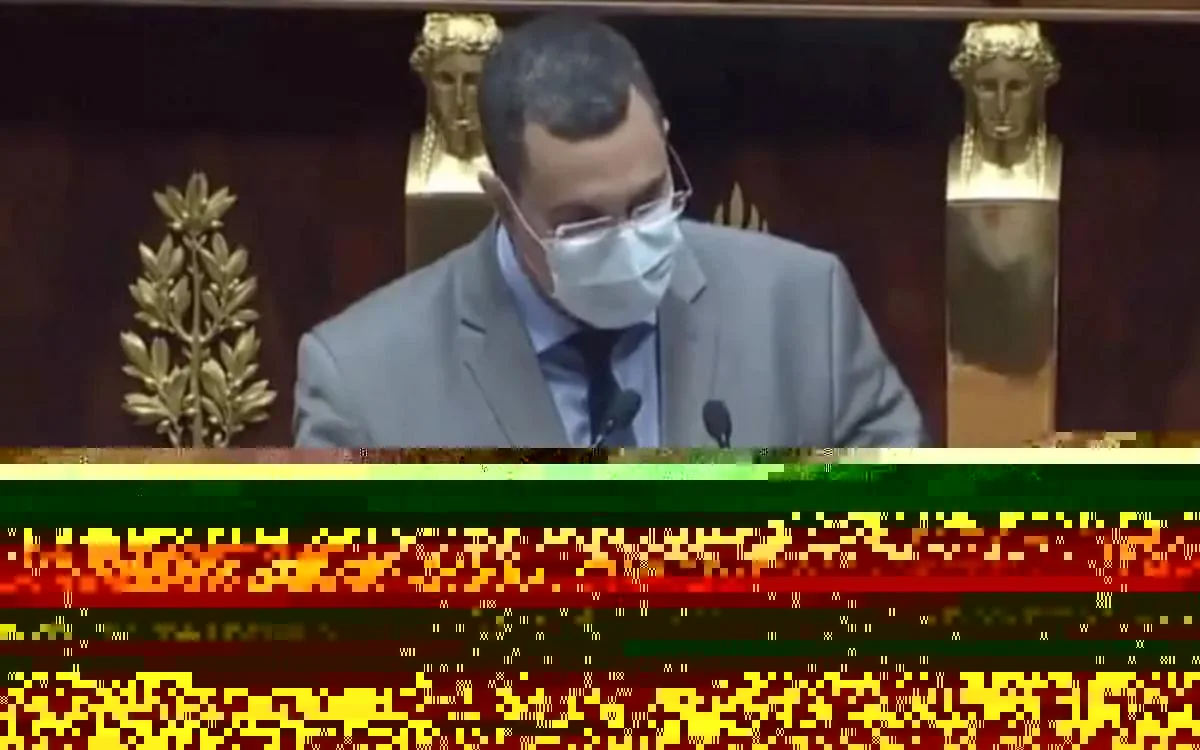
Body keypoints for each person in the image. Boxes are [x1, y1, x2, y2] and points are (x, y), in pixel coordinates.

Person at [293, 14, 927, 449]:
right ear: (504, 202)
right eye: (585, 221)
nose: (628, 240)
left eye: (648, 202)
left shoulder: (803, 310)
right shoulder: (363, 383)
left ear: (665, 143)